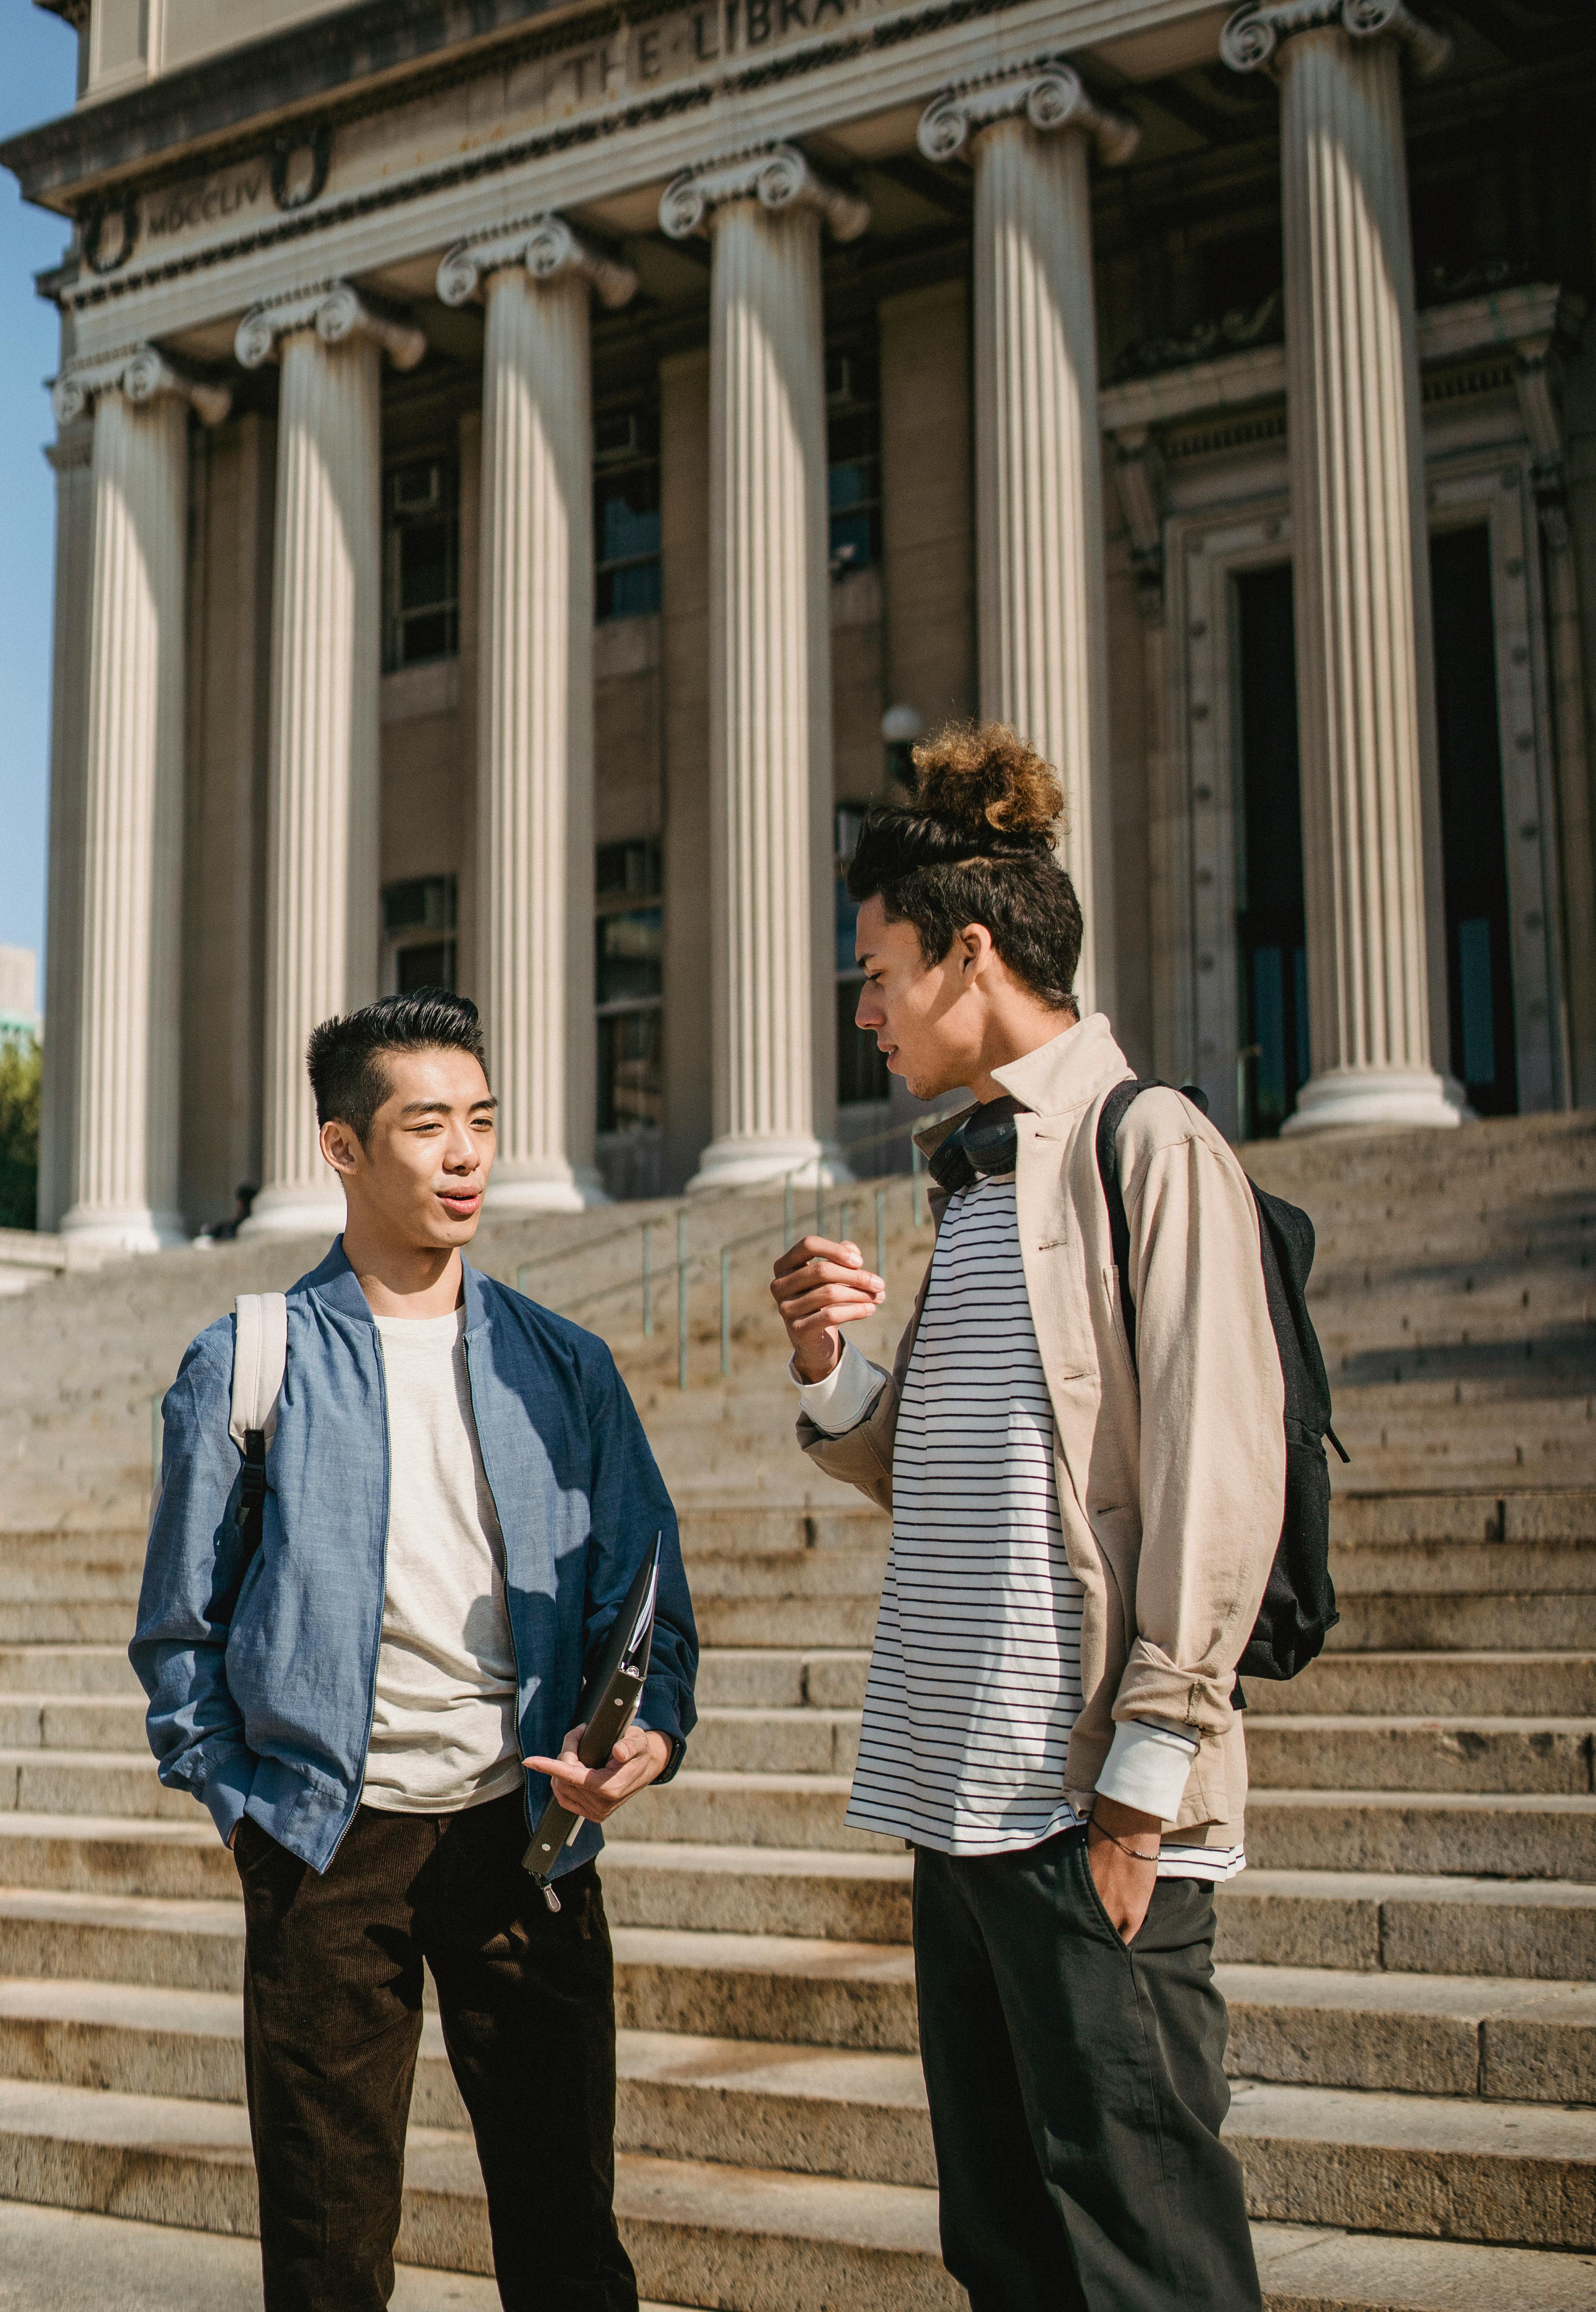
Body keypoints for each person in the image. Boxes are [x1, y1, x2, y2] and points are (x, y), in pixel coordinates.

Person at [770, 729, 1282, 2312]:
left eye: (874, 973)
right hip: (954, 1799)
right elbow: (944, 1467)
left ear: (966, 953)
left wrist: (1145, 1785)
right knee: (1003, 2249)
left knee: (1145, 2257)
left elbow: (1221, 1476)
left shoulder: (1150, 1148)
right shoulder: (973, 1183)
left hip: (1084, 1812)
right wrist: (831, 1369)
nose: (859, 1011)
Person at [133, 988, 697, 2312]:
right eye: (429, 1124)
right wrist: (250, 1816)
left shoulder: (564, 1368)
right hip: (330, 1844)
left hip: (530, 1833)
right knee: (328, 2258)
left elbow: (651, 1598)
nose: (467, 1157)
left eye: (483, 1123)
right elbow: (180, 1632)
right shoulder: (249, 1362)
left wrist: (649, 1733)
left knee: (569, 2247)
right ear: (343, 1149)